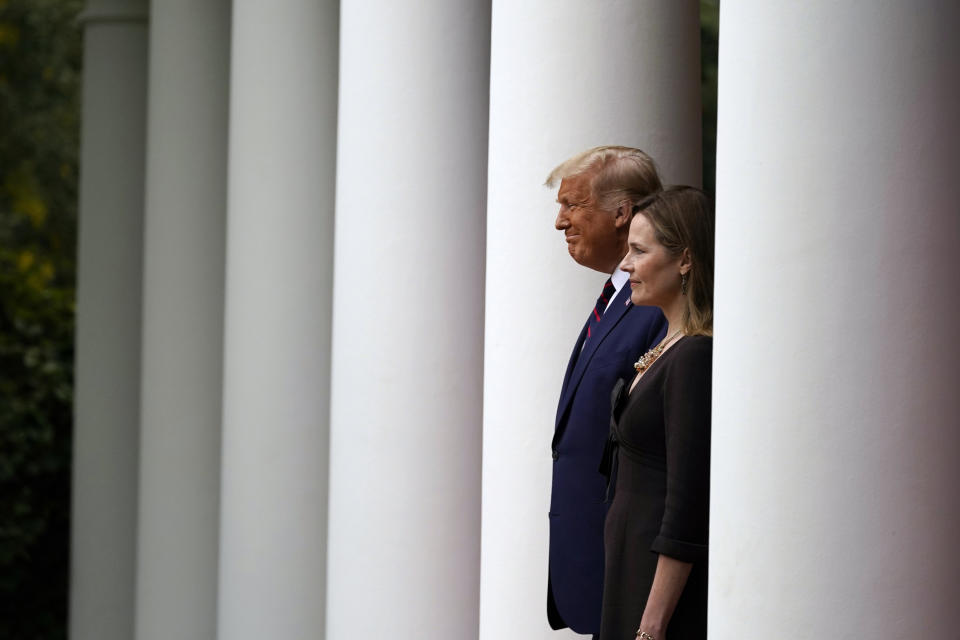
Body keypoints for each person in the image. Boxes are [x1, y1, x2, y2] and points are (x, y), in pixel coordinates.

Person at [545, 146, 667, 636]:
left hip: (626, 565)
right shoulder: (619, 297)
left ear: (622, 214)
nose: (560, 222)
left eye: (572, 205)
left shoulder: (657, 303)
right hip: (592, 559)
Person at [599, 186, 714, 640]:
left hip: (655, 595)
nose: (625, 266)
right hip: (630, 569)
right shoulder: (664, 347)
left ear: (684, 259)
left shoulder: (693, 357)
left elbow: (686, 503)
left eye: (638, 251)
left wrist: (652, 625)